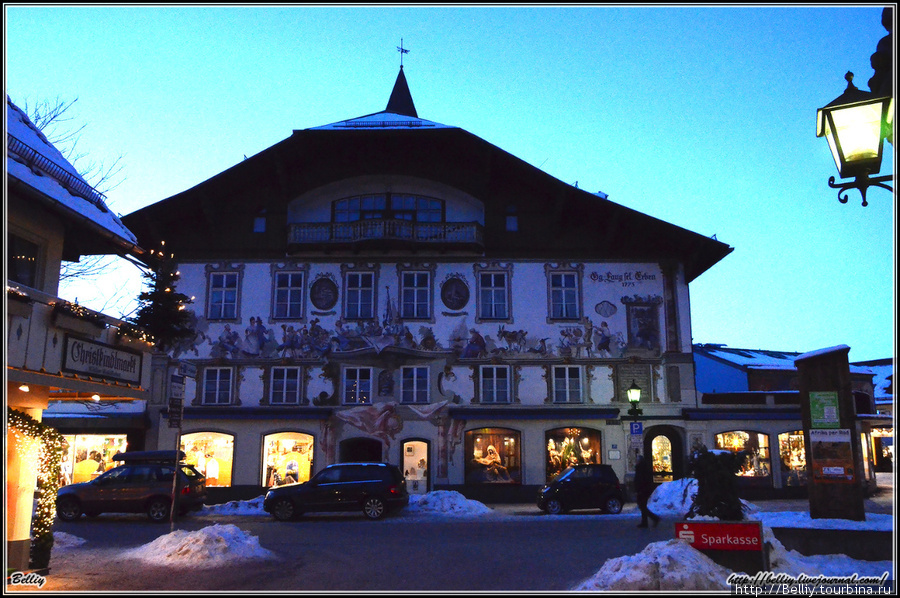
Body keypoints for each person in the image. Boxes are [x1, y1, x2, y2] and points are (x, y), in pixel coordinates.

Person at [634, 454, 659, 528]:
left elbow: (642, 480)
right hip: (642, 489)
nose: (636, 462)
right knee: (642, 506)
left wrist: (640, 489)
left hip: (643, 490)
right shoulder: (641, 468)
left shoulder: (641, 469)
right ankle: (645, 522)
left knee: (642, 506)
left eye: (637, 460)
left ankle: (654, 518)